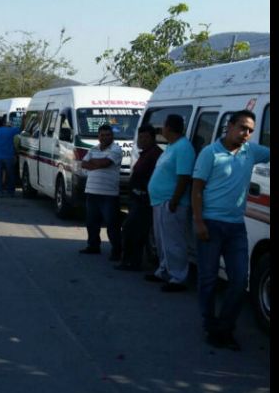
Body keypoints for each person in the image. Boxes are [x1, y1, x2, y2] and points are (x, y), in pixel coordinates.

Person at [192, 110, 269, 351]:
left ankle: (224, 328)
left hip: (236, 227)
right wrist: (199, 222)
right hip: (211, 224)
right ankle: (209, 323)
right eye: (243, 128)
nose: (246, 134)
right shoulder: (210, 154)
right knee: (208, 279)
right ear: (230, 125)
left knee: (239, 280)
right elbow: (196, 190)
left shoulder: (251, 152)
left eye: (250, 130)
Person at [145, 114, 196, 292]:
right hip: (160, 200)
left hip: (172, 202)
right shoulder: (171, 147)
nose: (162, 130)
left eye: (164, 127)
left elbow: (183, 177)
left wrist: (175, 200)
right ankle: (164, 270)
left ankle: (178, 277)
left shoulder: (183, 148)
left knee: (174, 241)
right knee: (162, 240)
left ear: (169, 127)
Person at [115, 124, 163, 271]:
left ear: (152, 139)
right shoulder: (145, 153)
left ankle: (132, 261)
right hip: (136, 198)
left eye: (145, 137)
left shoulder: (155, 154)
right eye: (140, 137)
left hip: (144, 199)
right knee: (132, 230)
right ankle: (130, 260)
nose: (141, 140)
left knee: (134, 231)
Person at [80, 124, 122, 260]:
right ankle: (93, 246)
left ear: (112, 136)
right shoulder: (93, 149)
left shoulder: (116, 149)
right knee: (91, 221)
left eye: (108, 135)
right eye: (102, 135)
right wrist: (95, 163)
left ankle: (117, 251)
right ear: (98, 136)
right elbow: (83, 164)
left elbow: (105, 163)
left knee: (112, 224)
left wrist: (93, 162)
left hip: (109, 193)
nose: (105, 137)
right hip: (92, 191)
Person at [0, 116, 21, 197]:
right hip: (9, 157)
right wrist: (23, 119)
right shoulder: (10, 131)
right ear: (3, 123)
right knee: (10, 175)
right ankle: (10, 192)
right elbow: (19, 129)